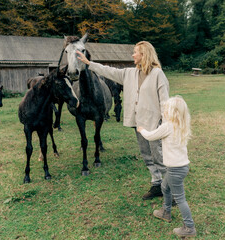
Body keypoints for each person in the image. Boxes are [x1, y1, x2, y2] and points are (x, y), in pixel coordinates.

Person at [77, 41, 169, 200]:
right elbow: (108, 71)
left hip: (154, 124)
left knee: (159, 157)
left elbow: (165, 101)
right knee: (147, 155)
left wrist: (165, 124)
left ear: (144, 55)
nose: (132, 55)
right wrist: (88, 63)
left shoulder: (157, 74)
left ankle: (171, 191)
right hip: (139, 124)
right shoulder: (130, 73)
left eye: (135, 52)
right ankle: (157, 185)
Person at [137, 96, 196, 238]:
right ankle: (166, 211)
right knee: (164, 187)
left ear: (171, 112)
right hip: (181, 167)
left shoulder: (168, 126)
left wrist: (141, 130)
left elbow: (151, 136)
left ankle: (189, 228)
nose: (163, 112)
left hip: (175, 169)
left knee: (180, 198)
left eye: (165, 110)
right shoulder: (181, 125)